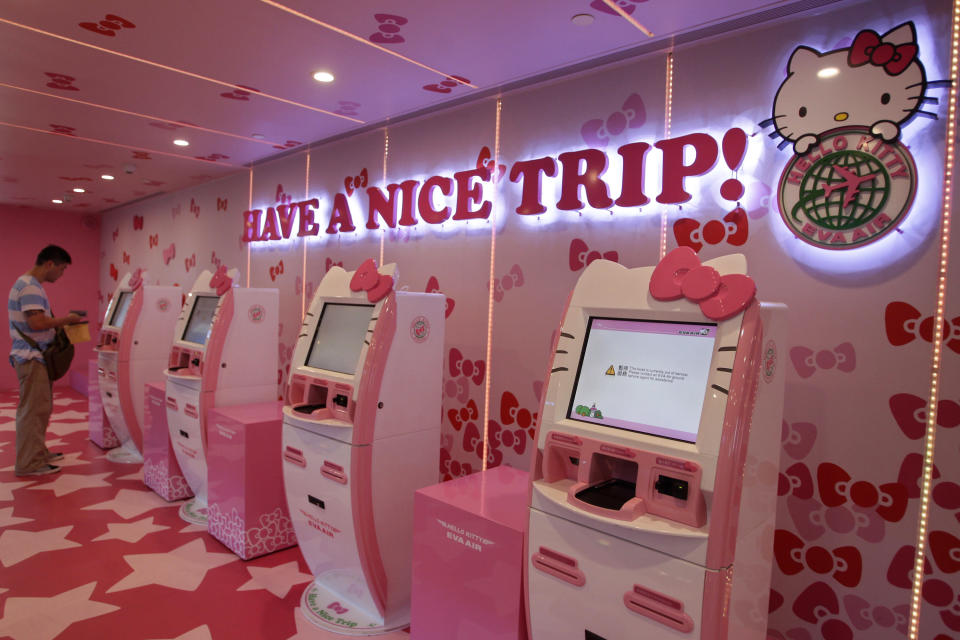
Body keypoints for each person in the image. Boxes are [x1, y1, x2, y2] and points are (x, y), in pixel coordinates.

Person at [8, 245, 84, 476]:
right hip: (32, 358)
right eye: (61, 269)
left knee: (40, 409)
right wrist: (66, 320)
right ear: (49, 264)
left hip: (33, 357)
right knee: (33, 411)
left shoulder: (28, 284)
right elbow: (37, 323)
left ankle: (37, 452)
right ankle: (29, 463)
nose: (61, 275)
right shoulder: (30, 287)